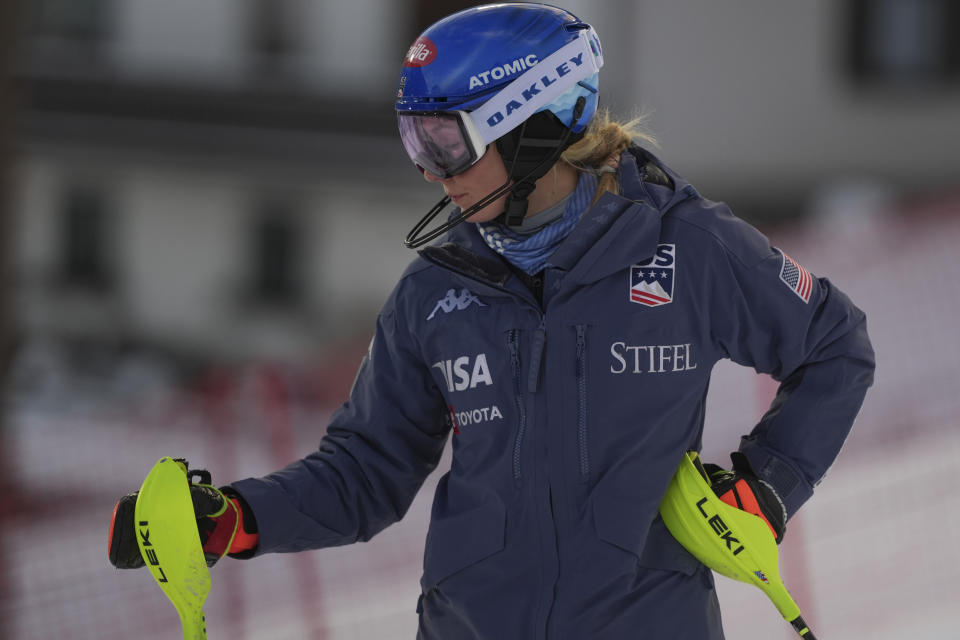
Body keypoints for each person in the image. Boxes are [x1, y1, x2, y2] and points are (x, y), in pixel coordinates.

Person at [108, 4, 875, 638]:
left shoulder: (686, 248)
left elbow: (835, 344)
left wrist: (767, 487)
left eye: (444, 141)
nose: (426, 167)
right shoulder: (435, 294)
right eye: (414, 138)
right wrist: (235, 518)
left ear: (532, 127)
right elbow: (366, 471)